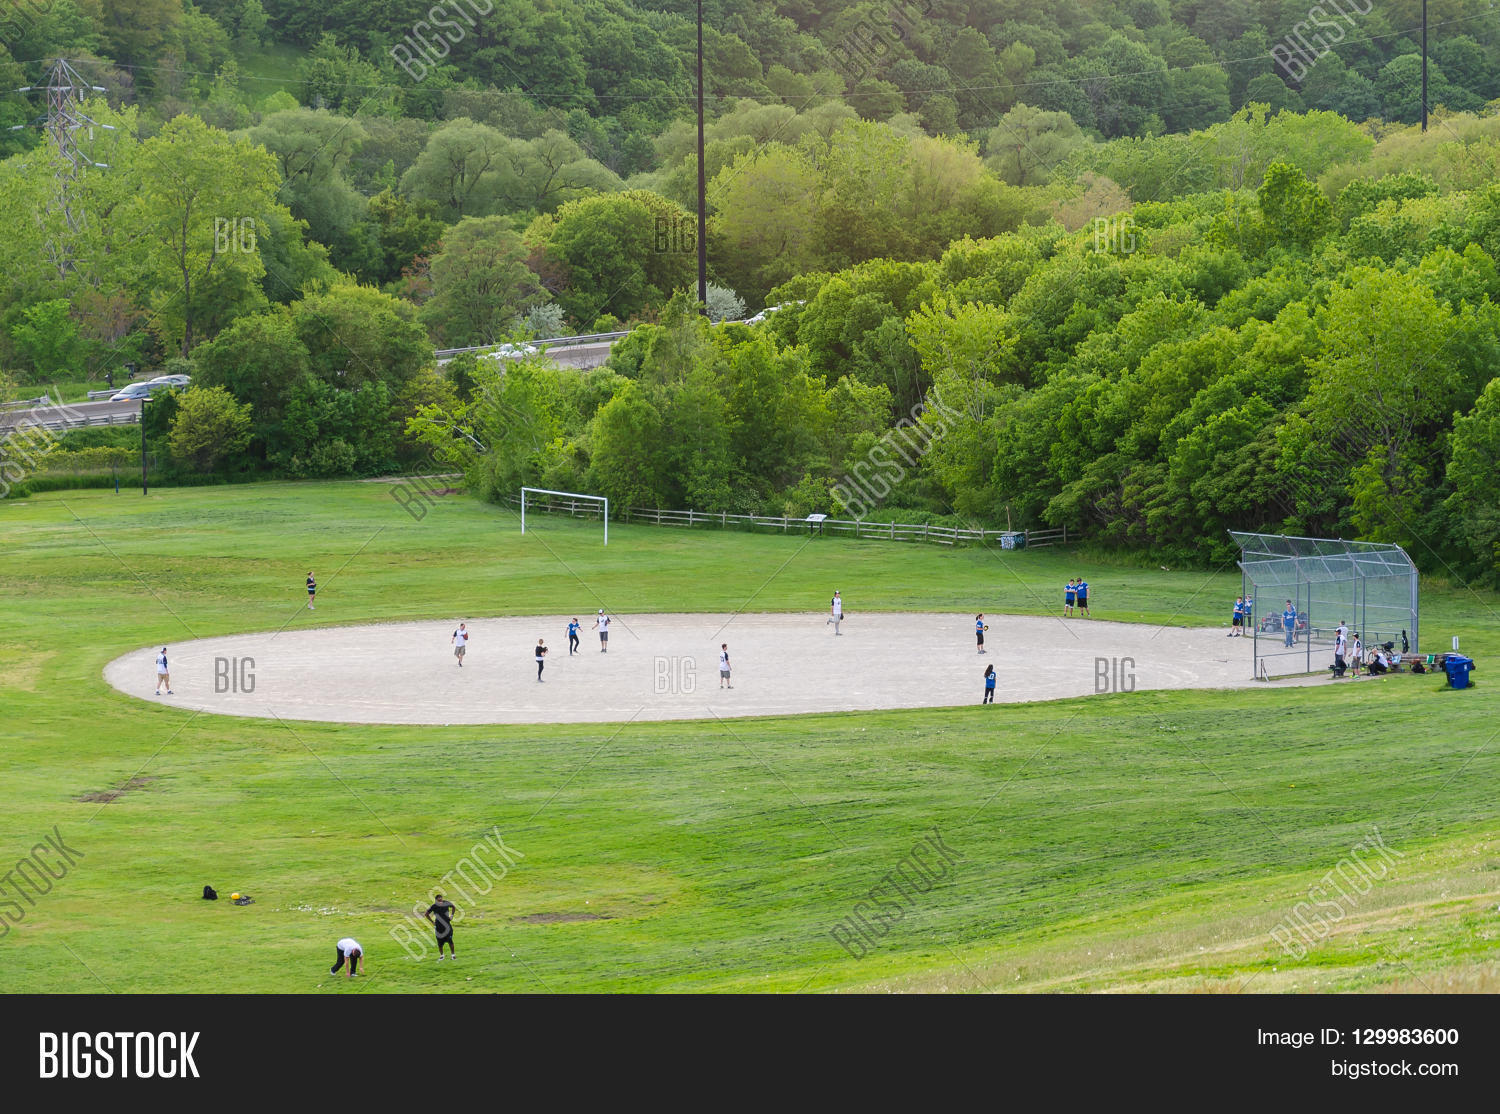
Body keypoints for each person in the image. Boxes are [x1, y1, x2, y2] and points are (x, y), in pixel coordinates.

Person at [425, 893, 456, 960]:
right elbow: (426, 914)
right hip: (439, 927)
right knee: (440, 943)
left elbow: (453, 907)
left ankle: (453, 955)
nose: (440, 902)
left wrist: (452, 915)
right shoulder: (434, 906)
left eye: (441, 900)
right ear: (436, 900)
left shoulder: (446, 903)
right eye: (439, 901)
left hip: (447, 926)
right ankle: (442, 956)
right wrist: (432, 922)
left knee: (450, 941)